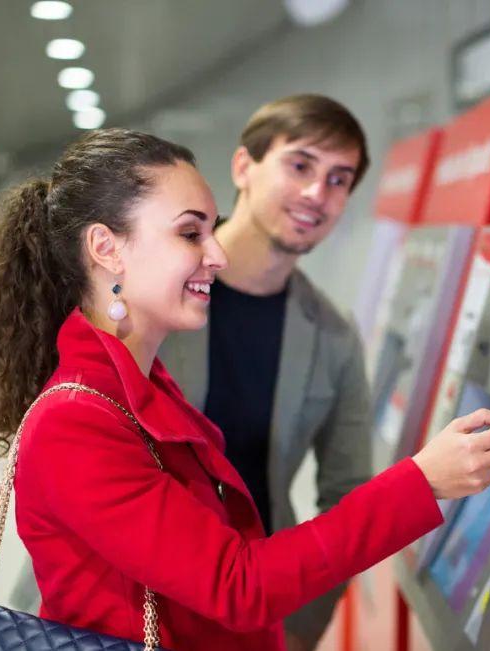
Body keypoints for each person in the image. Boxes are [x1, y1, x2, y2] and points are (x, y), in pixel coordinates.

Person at [0, 128, 490, 651]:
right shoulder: (77, 421)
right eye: (189, 233)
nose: (217, 254)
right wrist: (422, 483)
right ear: (107, 248)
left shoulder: (143, 390)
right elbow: (237, 584)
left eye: (212, 228)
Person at [161, 94, 375, 649]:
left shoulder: (333, 337)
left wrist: (298, 628)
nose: (316, 194)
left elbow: (349, 496)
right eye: (300, 165)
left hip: (249, 617)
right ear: (243, 167)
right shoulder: (153, 290)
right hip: (126, 605)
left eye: (339, 179)